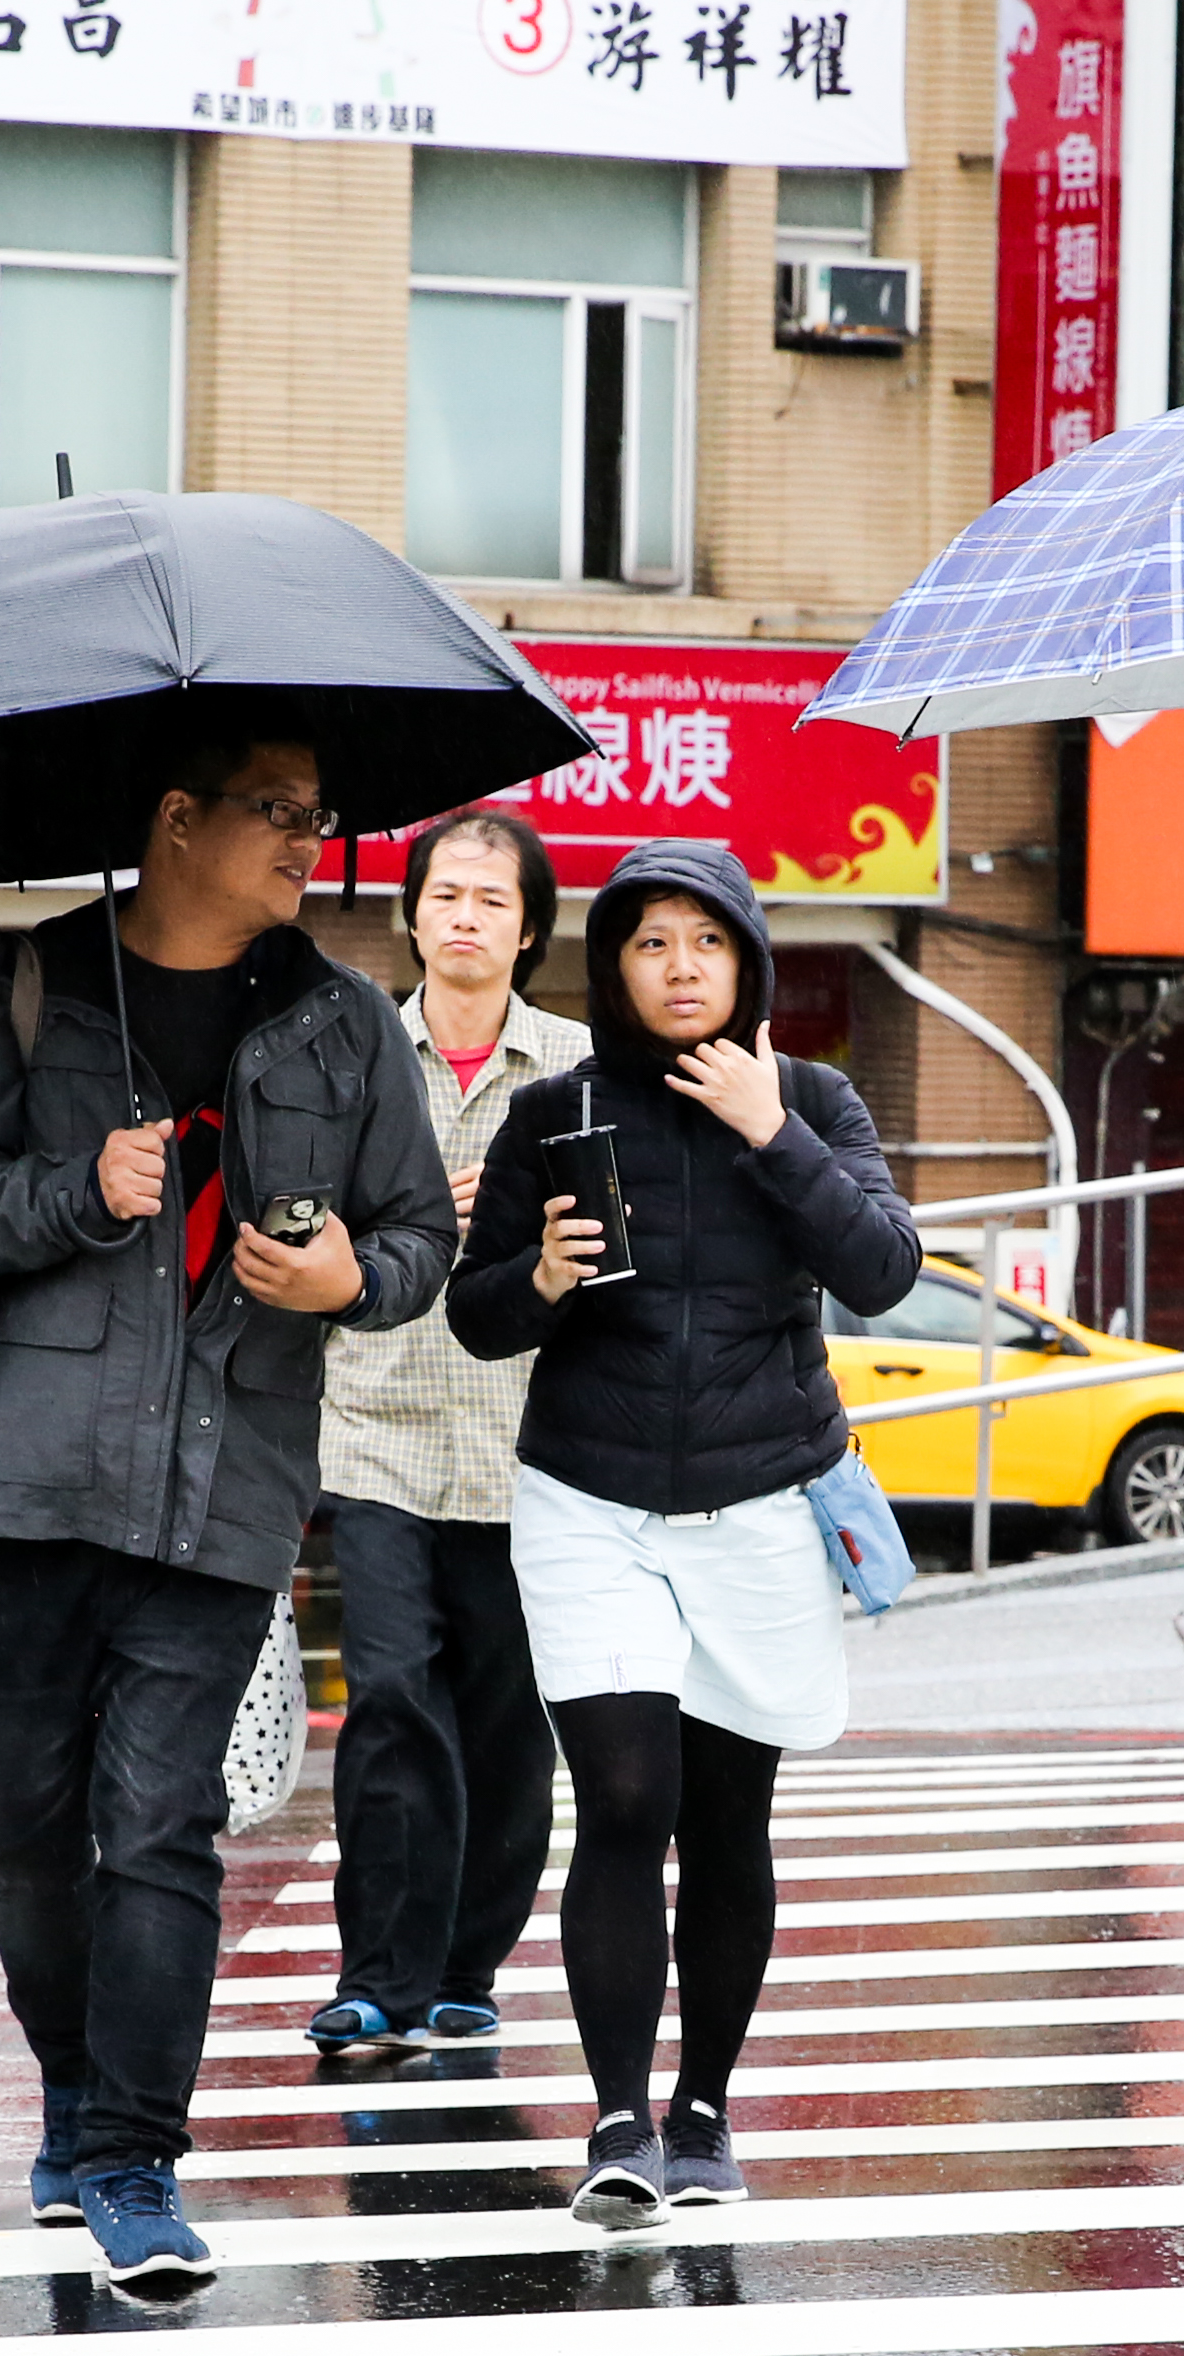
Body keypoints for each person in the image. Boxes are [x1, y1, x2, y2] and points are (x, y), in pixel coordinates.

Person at [0, 725, 457, 2298]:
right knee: (16, 1819)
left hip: (231, 1484)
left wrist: (351, 1277)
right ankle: (75, 2091)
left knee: (159, 1824)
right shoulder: (27, 983)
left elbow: (416, 1234)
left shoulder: (347, 1025)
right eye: (277, 811)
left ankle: (134, 2158)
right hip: (30, 1484)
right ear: (177, 818)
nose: (306, 842)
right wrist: (78, 1190)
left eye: (319, 816)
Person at [449, 841, 920, 2227]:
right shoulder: (555, 1110)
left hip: (760, 1503)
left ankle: (703, 2109)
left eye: (706, 942)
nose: (679, 967)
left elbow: (884, 1270)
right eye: (650, 943)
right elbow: (475, 1315)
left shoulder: (813, 1099)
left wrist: (772, 1131)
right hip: (589, 1501)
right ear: (613, 968)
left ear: (748, 961)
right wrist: (539, 1276)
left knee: (726, 1816)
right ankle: (617, 2120)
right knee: (625, 1798)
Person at [306, 807, 595, 2071]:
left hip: (529, 1442)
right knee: (388, 1696)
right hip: (373, 1426)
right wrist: (410, 1210)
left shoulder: (580, 1067)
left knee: (506, 1720)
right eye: (445, 895)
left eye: (492, 899)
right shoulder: (353, 1051)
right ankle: (377, 1976)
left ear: (528, 930)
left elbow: (622, 1239)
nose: (465, 916)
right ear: (411, 914)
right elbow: (297, 1212)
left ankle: (467, 1972)